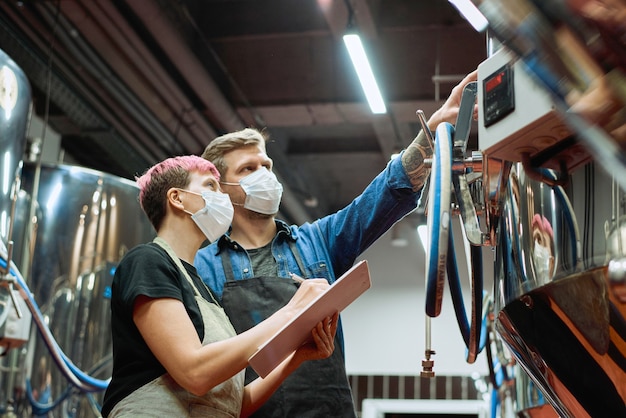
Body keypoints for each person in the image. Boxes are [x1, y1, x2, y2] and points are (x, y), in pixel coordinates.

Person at [194, 71, 479, 417]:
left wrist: (431, 130)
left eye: (267, 165)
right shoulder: (201, 267)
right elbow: (202, 368)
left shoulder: (318, 241)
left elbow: (384, 194)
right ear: (220, 187)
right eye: (248, 168)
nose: (264, 174)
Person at [101, 155, 338, 418]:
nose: (221, 195)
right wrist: (291, 312)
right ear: (177, 198)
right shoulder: (147, 261)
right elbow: (195, 372)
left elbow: (237, 402)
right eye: (210, 186)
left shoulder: (204, 290)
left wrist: (297, 355)